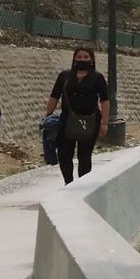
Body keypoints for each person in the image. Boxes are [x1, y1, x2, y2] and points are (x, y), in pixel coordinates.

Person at [45, 47, 111, 184]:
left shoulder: (97, 78)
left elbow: (104, 101)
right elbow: (54, 96)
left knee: (85, 154)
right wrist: (48, 116)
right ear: (74, 59)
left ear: (92, 60)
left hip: (90, 121)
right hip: (67, 120)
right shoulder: (65, 76)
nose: (82, 59)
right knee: (64, 153)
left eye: (86, 57)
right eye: (79, 57)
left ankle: (82, 184)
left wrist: (104, 122)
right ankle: (68, 182)